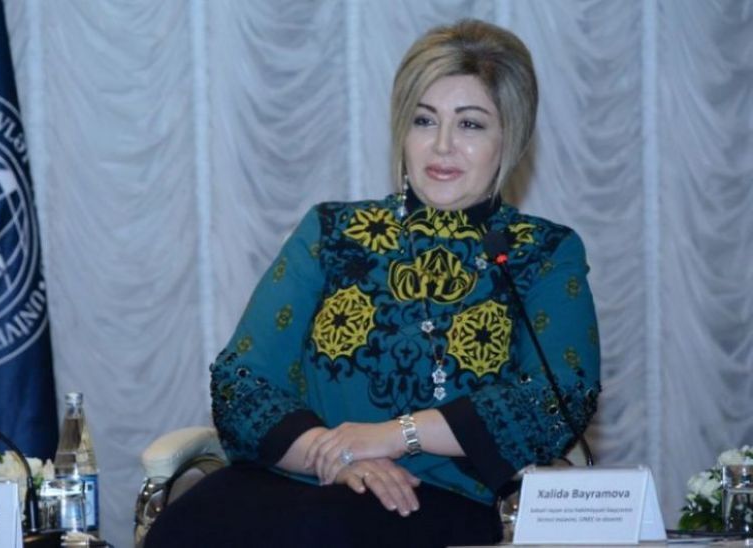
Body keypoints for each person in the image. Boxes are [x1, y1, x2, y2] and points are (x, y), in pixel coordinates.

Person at [146, 18, 600, 548]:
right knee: (187, 526)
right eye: (424, 120)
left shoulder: (541, 252)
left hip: (434, 496)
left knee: (324, 532)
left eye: (471, 125)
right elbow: (240, 381)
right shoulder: (334, 232)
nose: (443, 145)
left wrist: (391, 437)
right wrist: (333, 455)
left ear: (510, 137)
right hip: (300, 474)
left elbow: (555, 400)